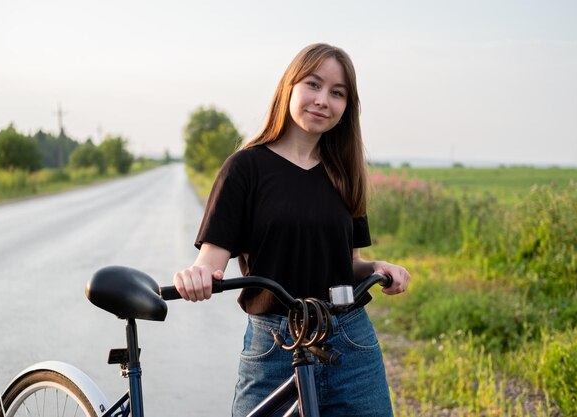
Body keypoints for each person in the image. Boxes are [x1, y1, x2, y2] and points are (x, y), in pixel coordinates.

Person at [173, 43, 411, 417]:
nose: (322, 100)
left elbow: (350, 265)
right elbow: (211, 261)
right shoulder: (244, 169)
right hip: (274, 344)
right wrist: (197, 275)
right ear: (289, 87)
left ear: (347, 107)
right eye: (313, 85)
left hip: (349, 339)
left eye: (337, 93)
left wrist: (379, 267)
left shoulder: (344, 174)